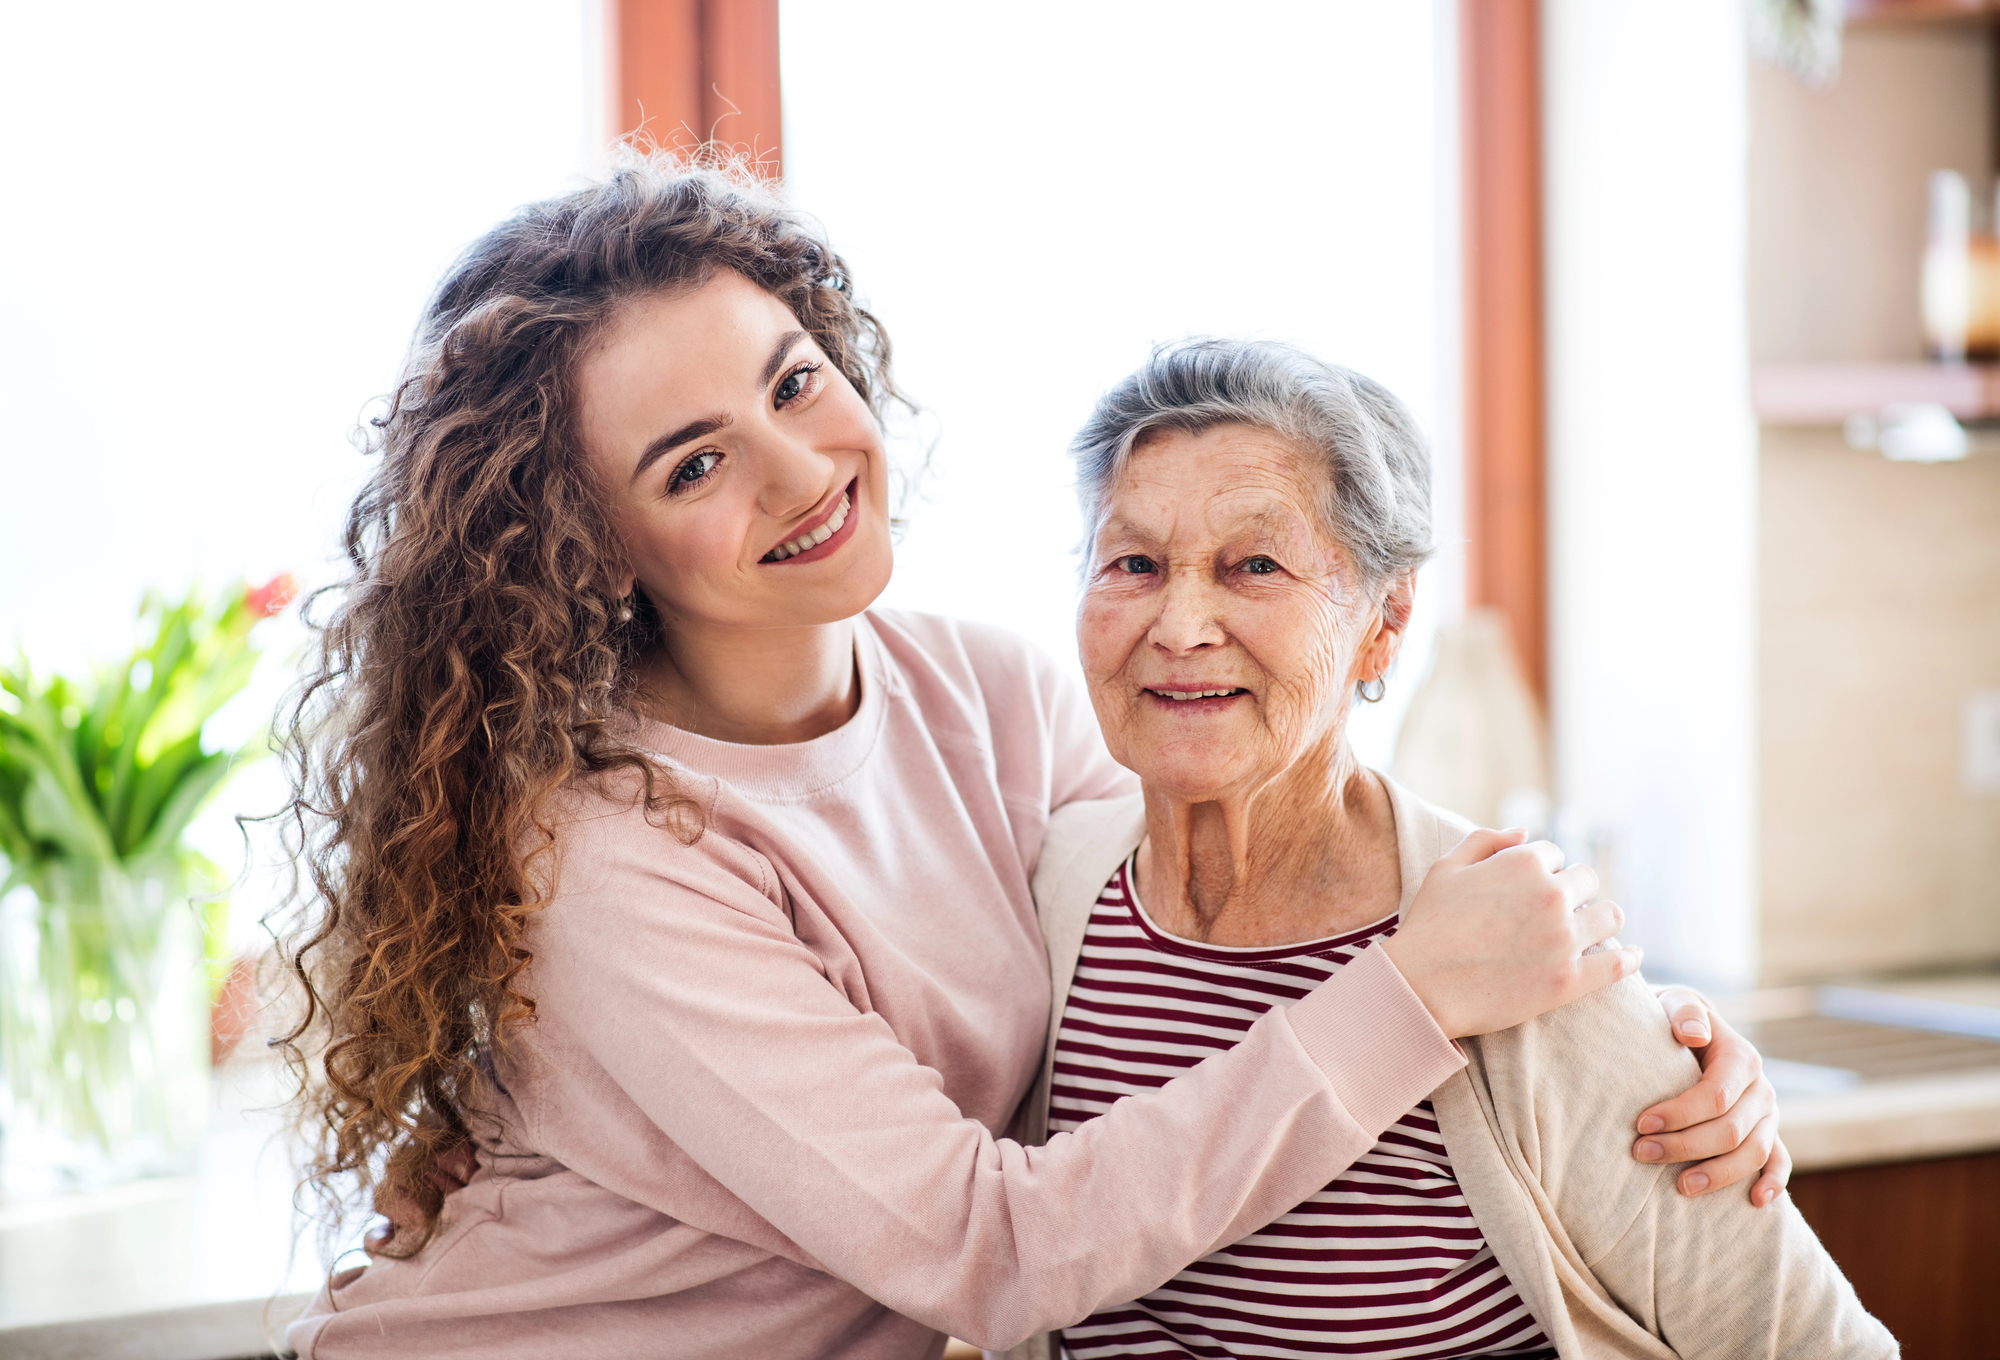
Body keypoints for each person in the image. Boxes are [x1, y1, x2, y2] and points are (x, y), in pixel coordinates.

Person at [277, 153, 1790, 1360]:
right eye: (695, 462)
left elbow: (1217, 882)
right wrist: (1423, 991)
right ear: (587, 545)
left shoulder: (982, 693)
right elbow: (991, 1253)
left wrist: (1635, 1030)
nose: (804, 469)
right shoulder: (609, 856)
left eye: (795, 381)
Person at [1006, 339, 1890, 1359]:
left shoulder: (1519, 960)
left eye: (1253, 564)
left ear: (1384, 621)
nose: (1180, 622)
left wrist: (1637, 1041)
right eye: (1134, 563)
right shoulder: (1048, 891)